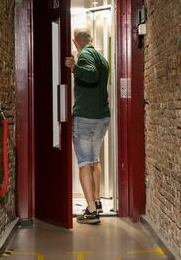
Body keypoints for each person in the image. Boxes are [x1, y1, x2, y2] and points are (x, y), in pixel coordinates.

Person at [65, 28, 110, 224]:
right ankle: (97, 201)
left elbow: (90, 75)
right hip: (102, 117)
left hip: (86, 118)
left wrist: (74, 67)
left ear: (76, 42)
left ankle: (91, 212)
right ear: (90, 39)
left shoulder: (84, 55)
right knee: (94, 159)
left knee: (84, 162)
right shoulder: (102, 58)